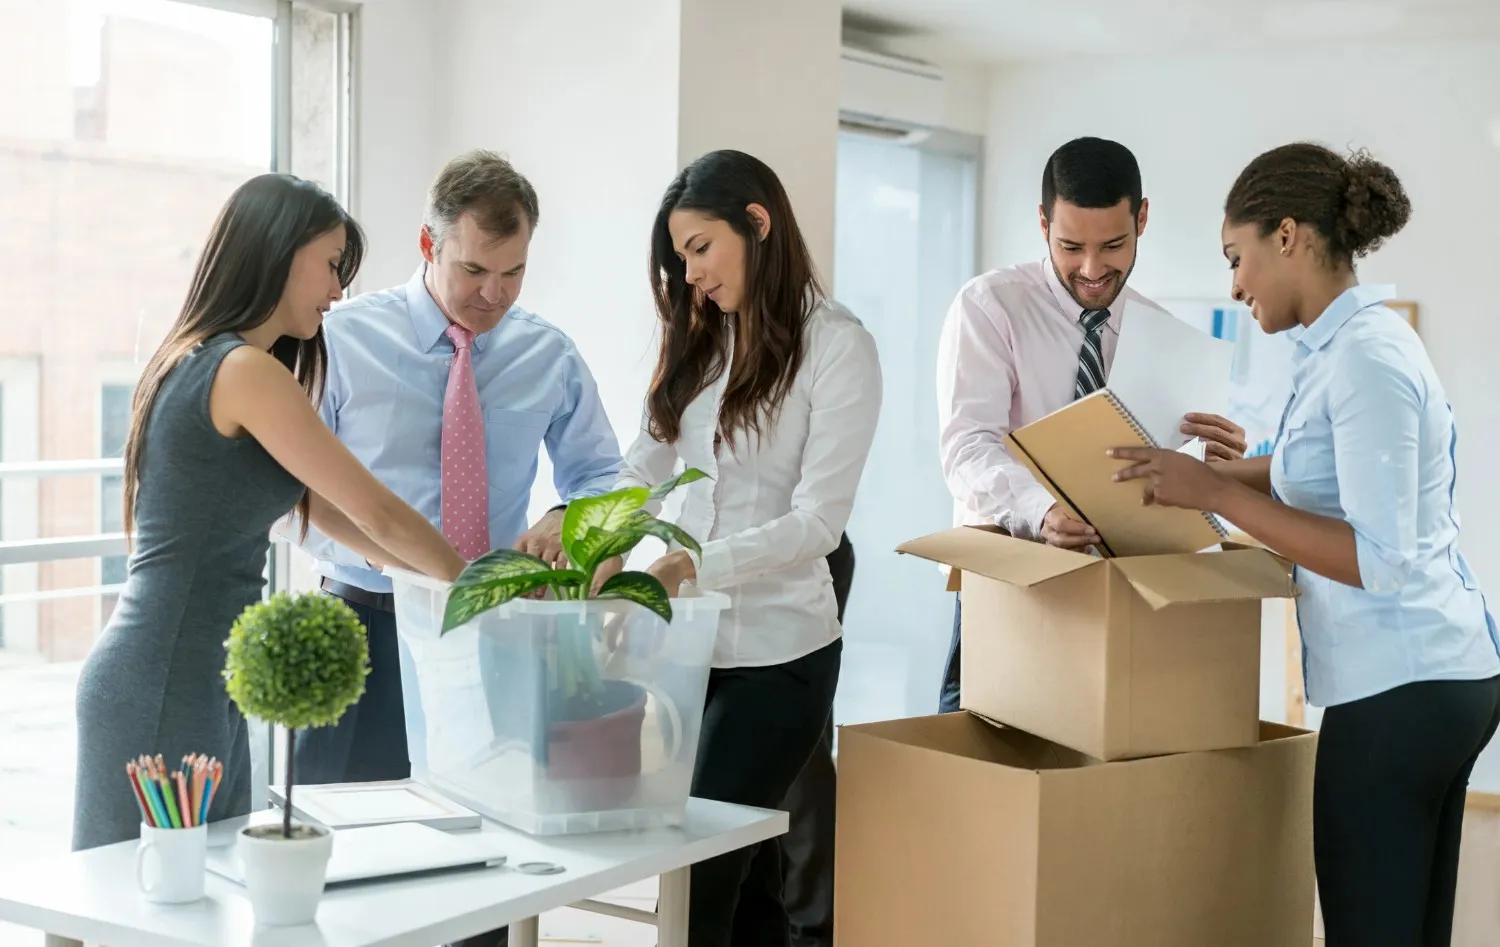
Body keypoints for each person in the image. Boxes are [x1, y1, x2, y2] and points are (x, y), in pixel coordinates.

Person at [1110, 142, 1500, 947]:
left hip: (1401, 686)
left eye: (1237, 257)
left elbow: (1380, 558)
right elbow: (1317, 471)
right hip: (1432, 677)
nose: (1235, 286)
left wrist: (1215, 494)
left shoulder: (1366, 358)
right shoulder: (1341, 349)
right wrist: (1213, 474)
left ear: (1286, 235)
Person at [72, 174, 467, 853]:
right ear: (277, 251)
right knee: (140, 907)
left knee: (196, 901)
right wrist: (484, 587)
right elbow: (374, 508)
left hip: (204, 679)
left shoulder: (221, 364)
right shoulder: (242, 372)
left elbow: (355, 531)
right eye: (331, 264)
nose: (339, 289)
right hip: (164, 678)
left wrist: (445, 585)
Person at [293, 150, 623, 947]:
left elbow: (604, 476)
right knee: (337, 868)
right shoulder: (340, 339)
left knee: (481, 859)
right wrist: (399, 559)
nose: (495, 295)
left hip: (492, 640)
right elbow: (292, 504)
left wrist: (565, 521)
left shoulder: (548, 352)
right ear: (427, 244)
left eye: (514, 272)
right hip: (361, 628)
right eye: (476, 269)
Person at [621, 149, 882, 947]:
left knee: (696, 876)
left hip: (782, 654)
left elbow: (818, 523)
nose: (691, 272)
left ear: (757, 223)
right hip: (689, 652)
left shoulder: (838, 347)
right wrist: (581, 527)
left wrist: (697, 563)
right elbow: (648, 461)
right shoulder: (699, 340)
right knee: (751, 875)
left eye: (700, 247)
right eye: (680, 256)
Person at [935, 136, 1247, 713]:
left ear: (1143, 218)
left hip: (1119, 595)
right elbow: (967, 448)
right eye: (1070, 245)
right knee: (979, 768)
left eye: (1113, 245)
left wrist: (1216, 467)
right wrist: (1042, 511)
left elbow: (1159, 484)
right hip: (1009, 582)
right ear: (1042, 222)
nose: (1092, 268)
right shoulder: (990, 307)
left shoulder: (1164, 334)